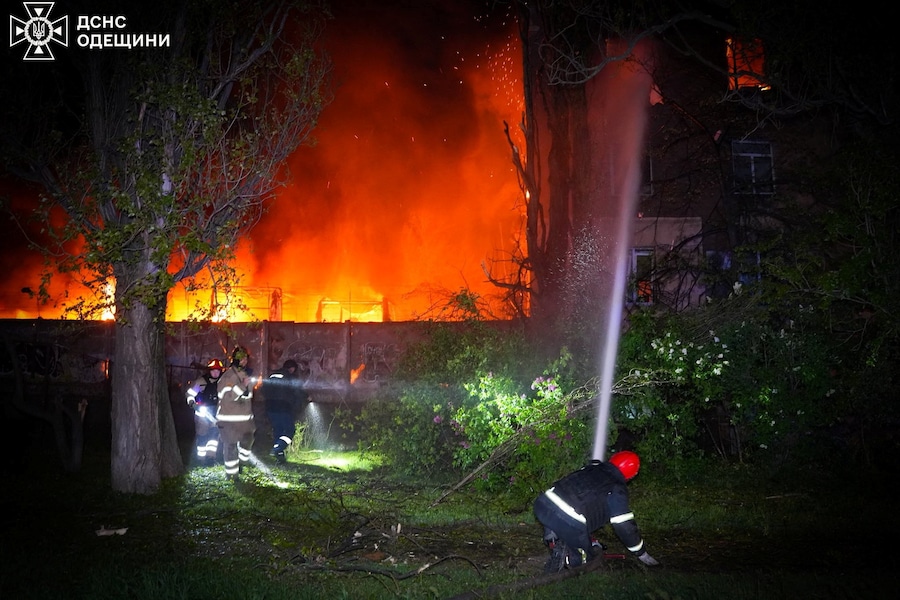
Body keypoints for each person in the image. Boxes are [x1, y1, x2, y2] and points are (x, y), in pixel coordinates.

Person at [533, 450, 660, 572]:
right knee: (585, 559)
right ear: (631, 475)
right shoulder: (617, 490)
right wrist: (641, 553)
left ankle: (553, 537)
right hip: (566, 521)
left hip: (542, 504)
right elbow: (624, 526)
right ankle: (564, 559)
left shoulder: (591, 468)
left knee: (565, 515)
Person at [216, 346, 256, 480]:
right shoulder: (228, 376)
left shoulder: (245, 375)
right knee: (231, 447)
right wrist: (242, 385)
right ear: (235, 359)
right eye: (242, 359)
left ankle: (242, 463)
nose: (245, 361)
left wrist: (246, 387)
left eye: (246, 359)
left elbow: (248, 396)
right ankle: (232, 474)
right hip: (229, 420)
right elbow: (227, 397)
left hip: (245, 420)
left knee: (248, 440)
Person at [264, 358, 310, 464]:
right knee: (289, 431)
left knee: (278, 431)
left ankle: (280, 458)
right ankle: (278, 448)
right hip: (283, 408)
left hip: (270, 408)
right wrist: (307, 397)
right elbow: (298, 391)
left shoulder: (272, 375)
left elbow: (264, 390)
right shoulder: (290, 377)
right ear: (292, 368)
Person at [185, 358, 224, 466]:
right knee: (202, 436)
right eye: (213, 370)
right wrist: (193, 404)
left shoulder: (222, 383)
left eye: (218, 371)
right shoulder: (200, 382)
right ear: (209, 371)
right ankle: (201, 458)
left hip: (216, 415)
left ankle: (210, 458)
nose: (216, 373)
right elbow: (189, 394)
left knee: (214, 437)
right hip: (202, 415)